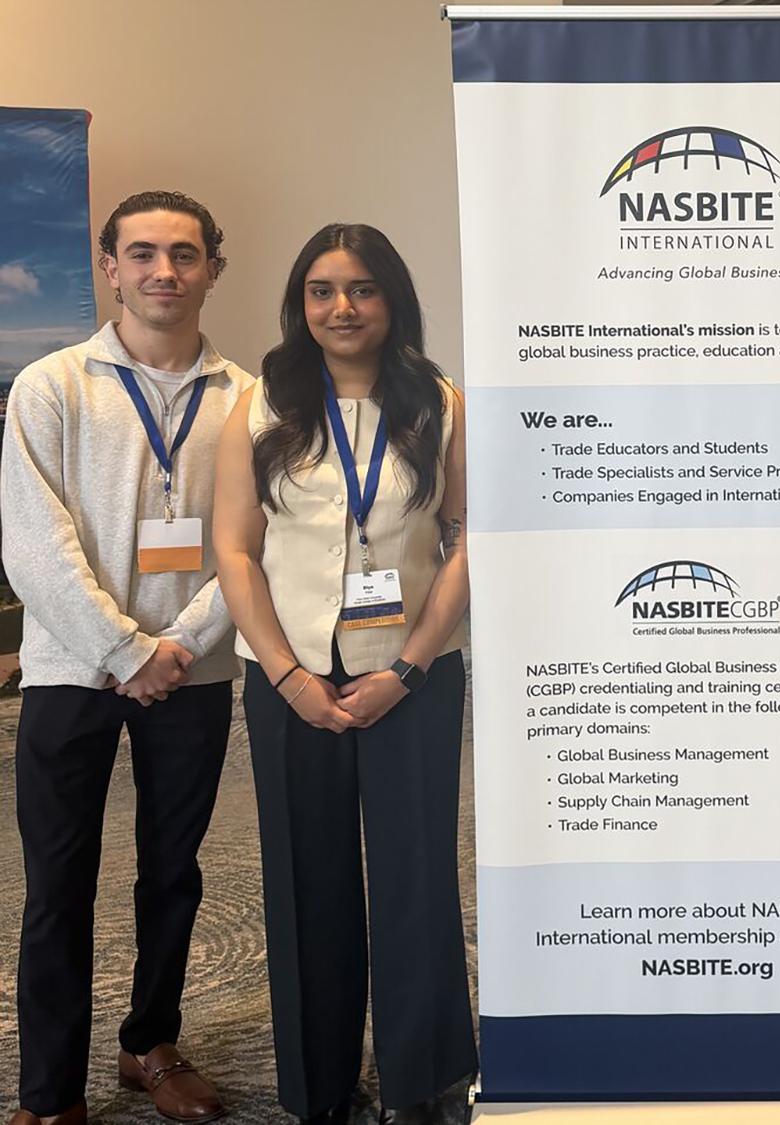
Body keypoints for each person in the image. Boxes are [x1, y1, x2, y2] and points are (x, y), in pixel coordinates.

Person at [213, 223, 474, 1125]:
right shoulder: (258, 402)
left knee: (416, 877)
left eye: (361, 288)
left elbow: (465, 537)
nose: (342, 307)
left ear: (392, 297)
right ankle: (319, 1086)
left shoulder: (438, 401)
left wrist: (410, 666)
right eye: (322, 290)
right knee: (305, 880)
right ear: (301, 303)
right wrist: (287, 676)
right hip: (293, 683)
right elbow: (235, 551)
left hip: (412, 677)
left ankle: (421, 1077)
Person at [1, 191, 252, 1125]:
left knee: (173, 870)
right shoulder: (52, 384)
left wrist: (178, 645)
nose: (163, 272)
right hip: (73, 669)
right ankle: (49, 1094)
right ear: (109, 266)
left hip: (191, 671)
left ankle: (149, 1043)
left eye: (184, 255)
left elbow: (250, 542)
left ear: (211, 270)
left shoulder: (249, 399)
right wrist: (121, 647)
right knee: (57, 883)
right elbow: (32, 542)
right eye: (141, 253)